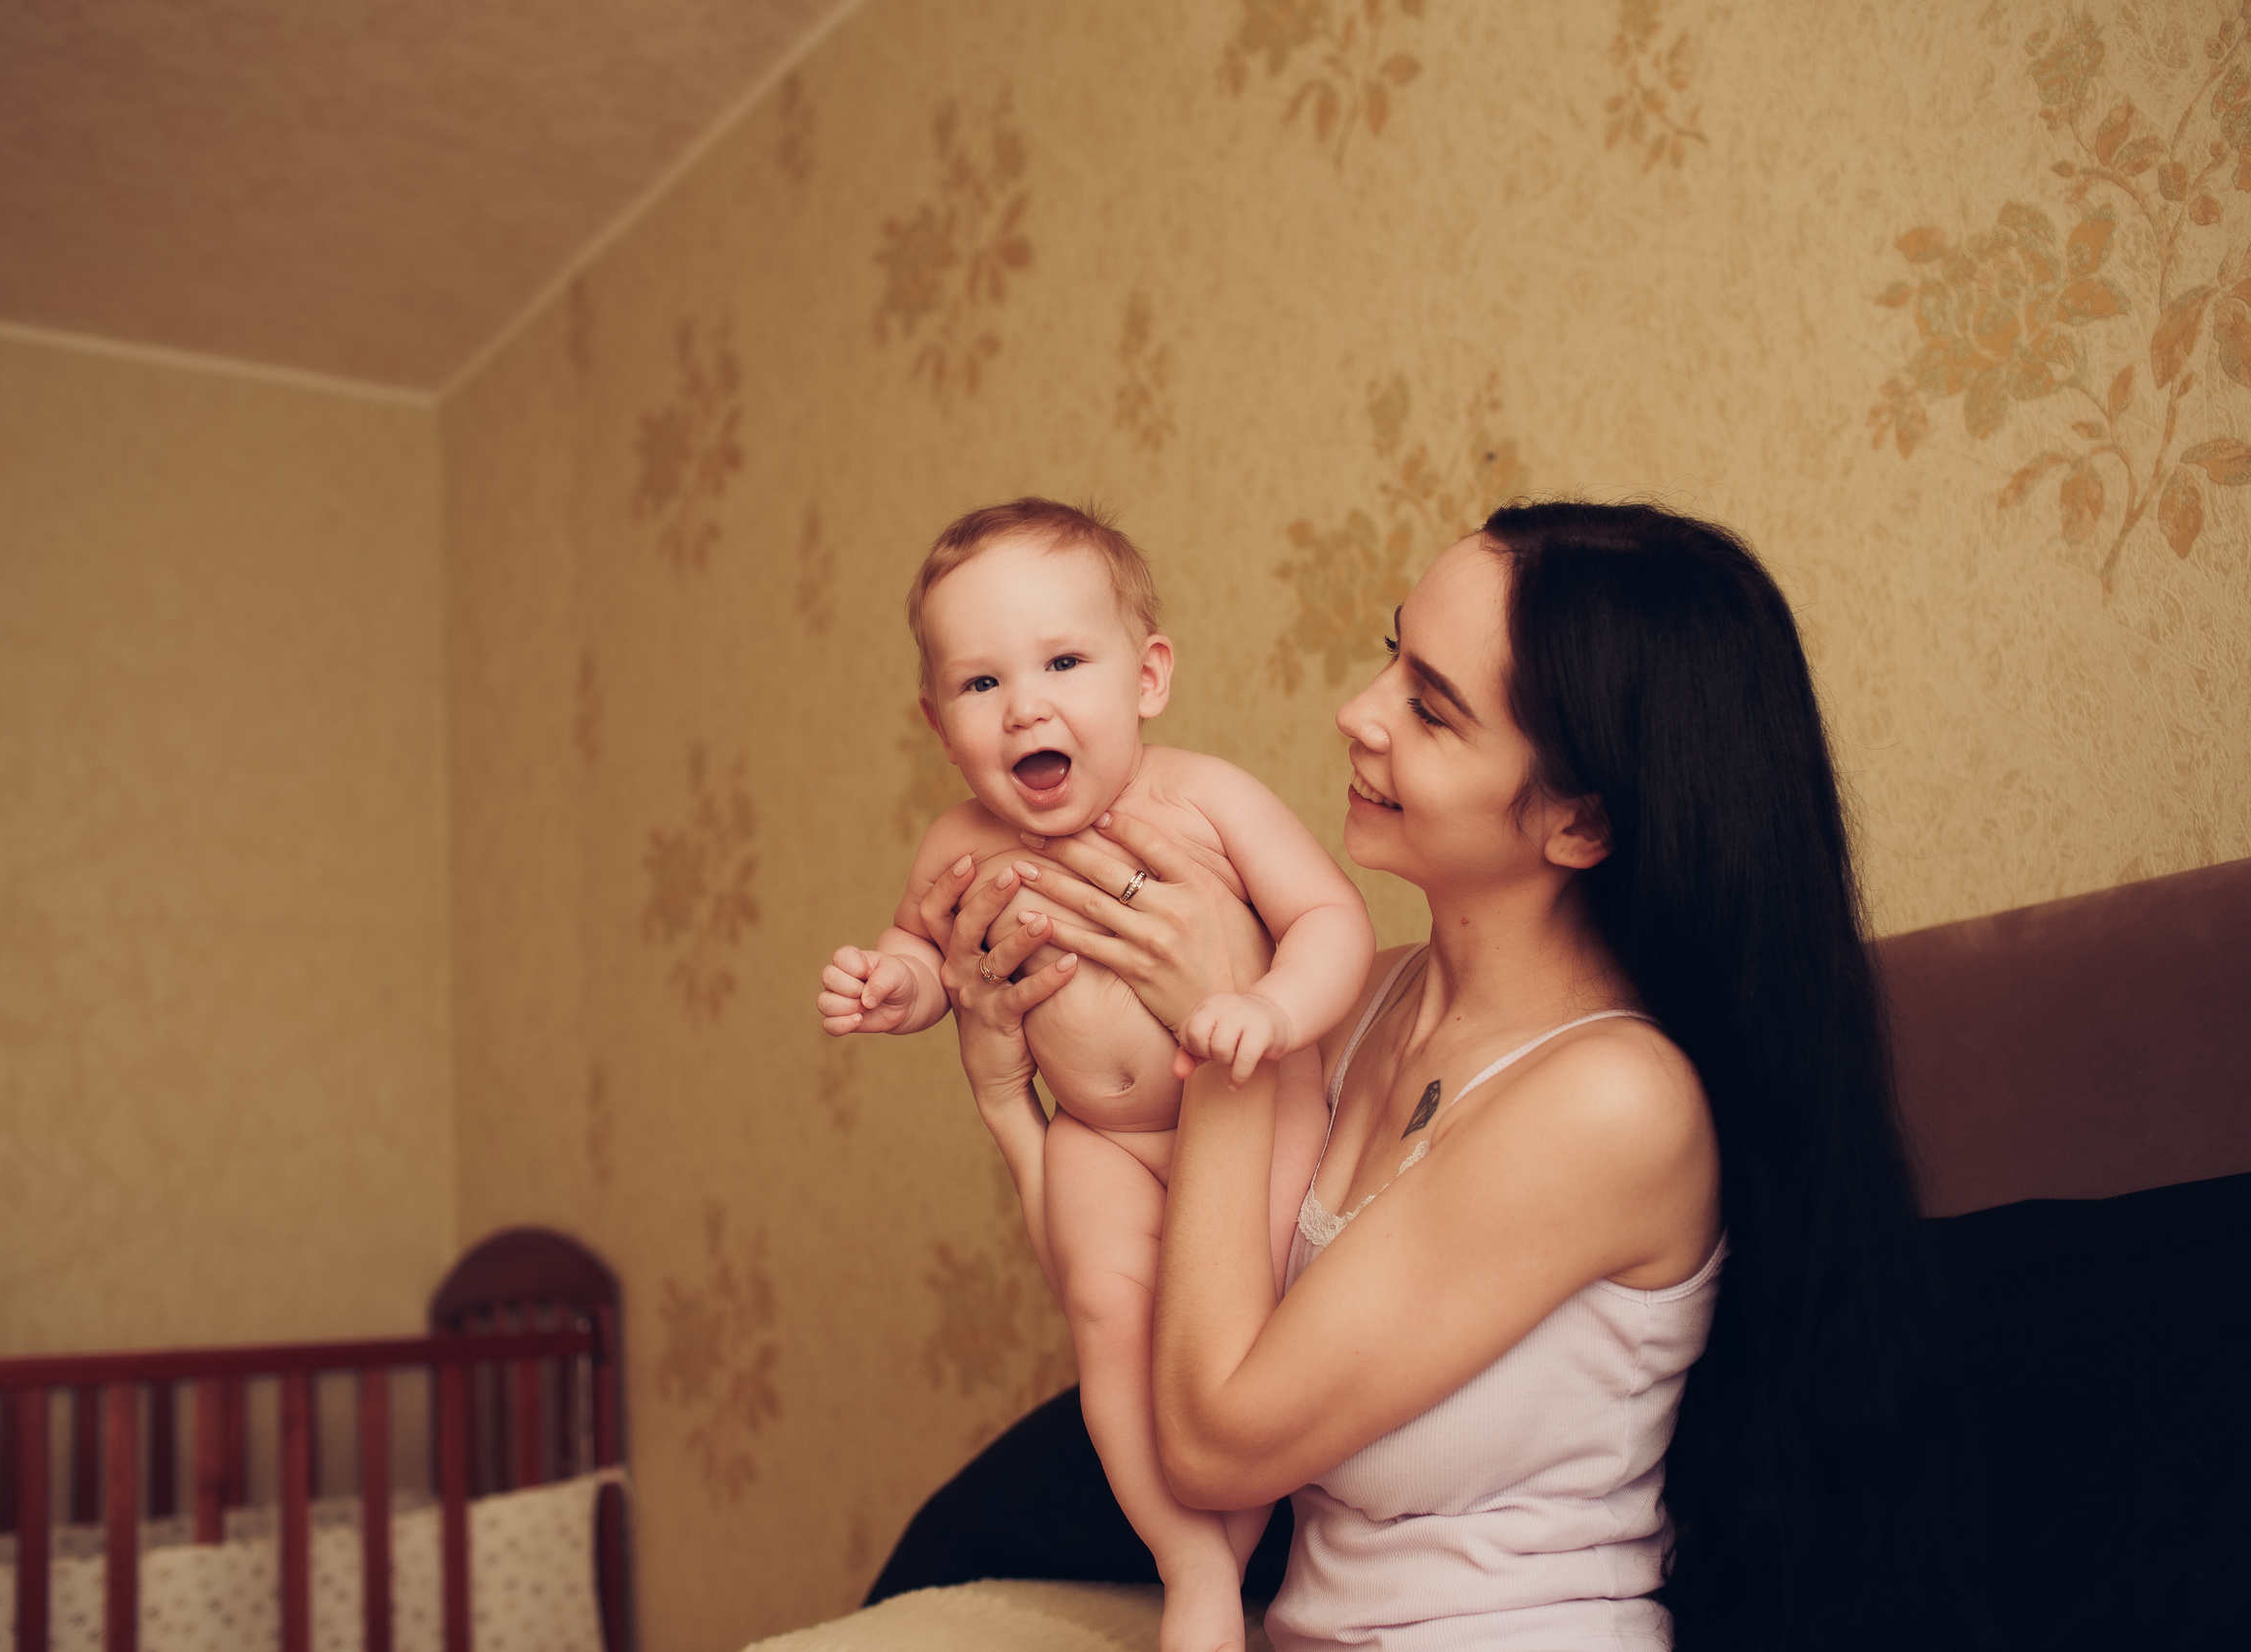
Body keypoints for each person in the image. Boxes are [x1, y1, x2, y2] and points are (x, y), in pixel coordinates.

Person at [915, 502, 1960, 1651]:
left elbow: (1214, 1442)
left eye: (1429, 706)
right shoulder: (1362, 1008)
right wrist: (1010, 1103)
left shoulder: (1613, 1101)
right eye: (1390, 654)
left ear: (1579, 822)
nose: (1355, 715)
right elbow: (1140, 1297)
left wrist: (1219, 1045)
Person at [815, 498, 1376, 1652]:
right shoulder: (956, 845)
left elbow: (1331, 918)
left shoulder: (1203, 798)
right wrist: (896, 987)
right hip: (1098, 1140)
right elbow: (928, 953)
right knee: (1107, 1315)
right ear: (939, 724)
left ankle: (1233, 1544)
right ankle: (1191, 1566)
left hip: (1254, 1107)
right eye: (980, 683)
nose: (1025, 705)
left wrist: (1268, 1011)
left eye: (1063, 662)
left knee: (1244, 1338)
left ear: (1147, 676)